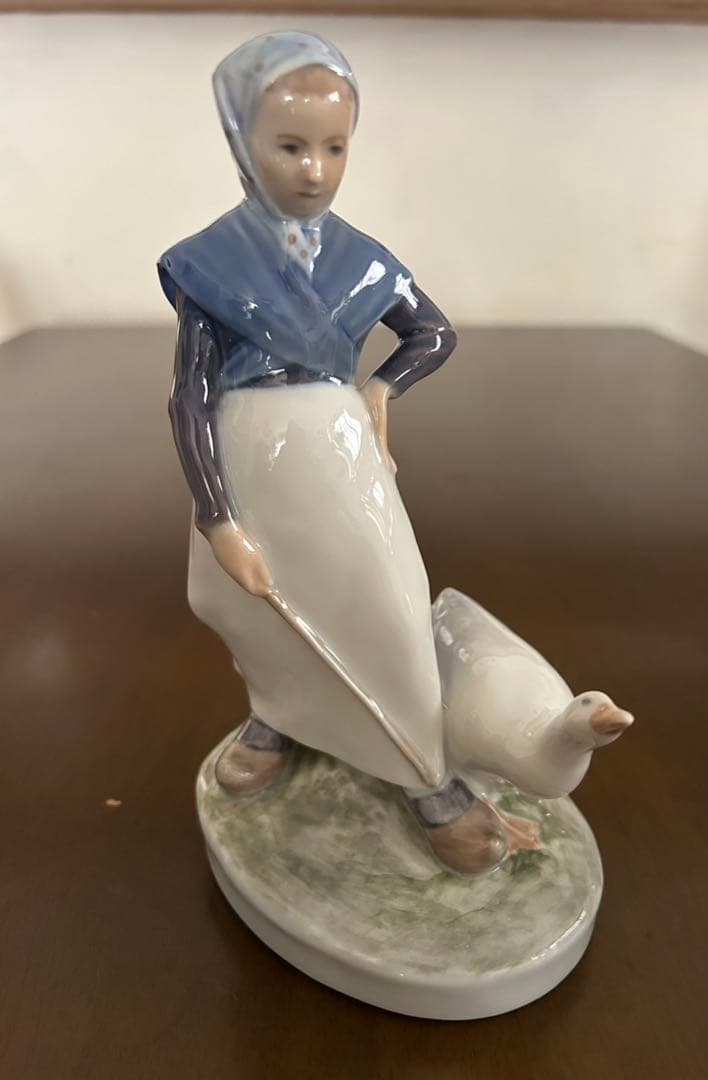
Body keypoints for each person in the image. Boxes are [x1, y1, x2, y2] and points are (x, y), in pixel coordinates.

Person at [158, 31, 506, 875]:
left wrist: (380, 388)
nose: (314, 170)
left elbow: (432, 333)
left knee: (385, 600)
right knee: (262, 607)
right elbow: (189, 397)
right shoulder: (211, 263)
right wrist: (218, 517)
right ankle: (278, 715)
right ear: (242, 141)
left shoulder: (361, 259)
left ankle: (424, 770)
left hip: (339, 452)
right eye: (289, 146)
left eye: (334, 147)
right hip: (249, 456)